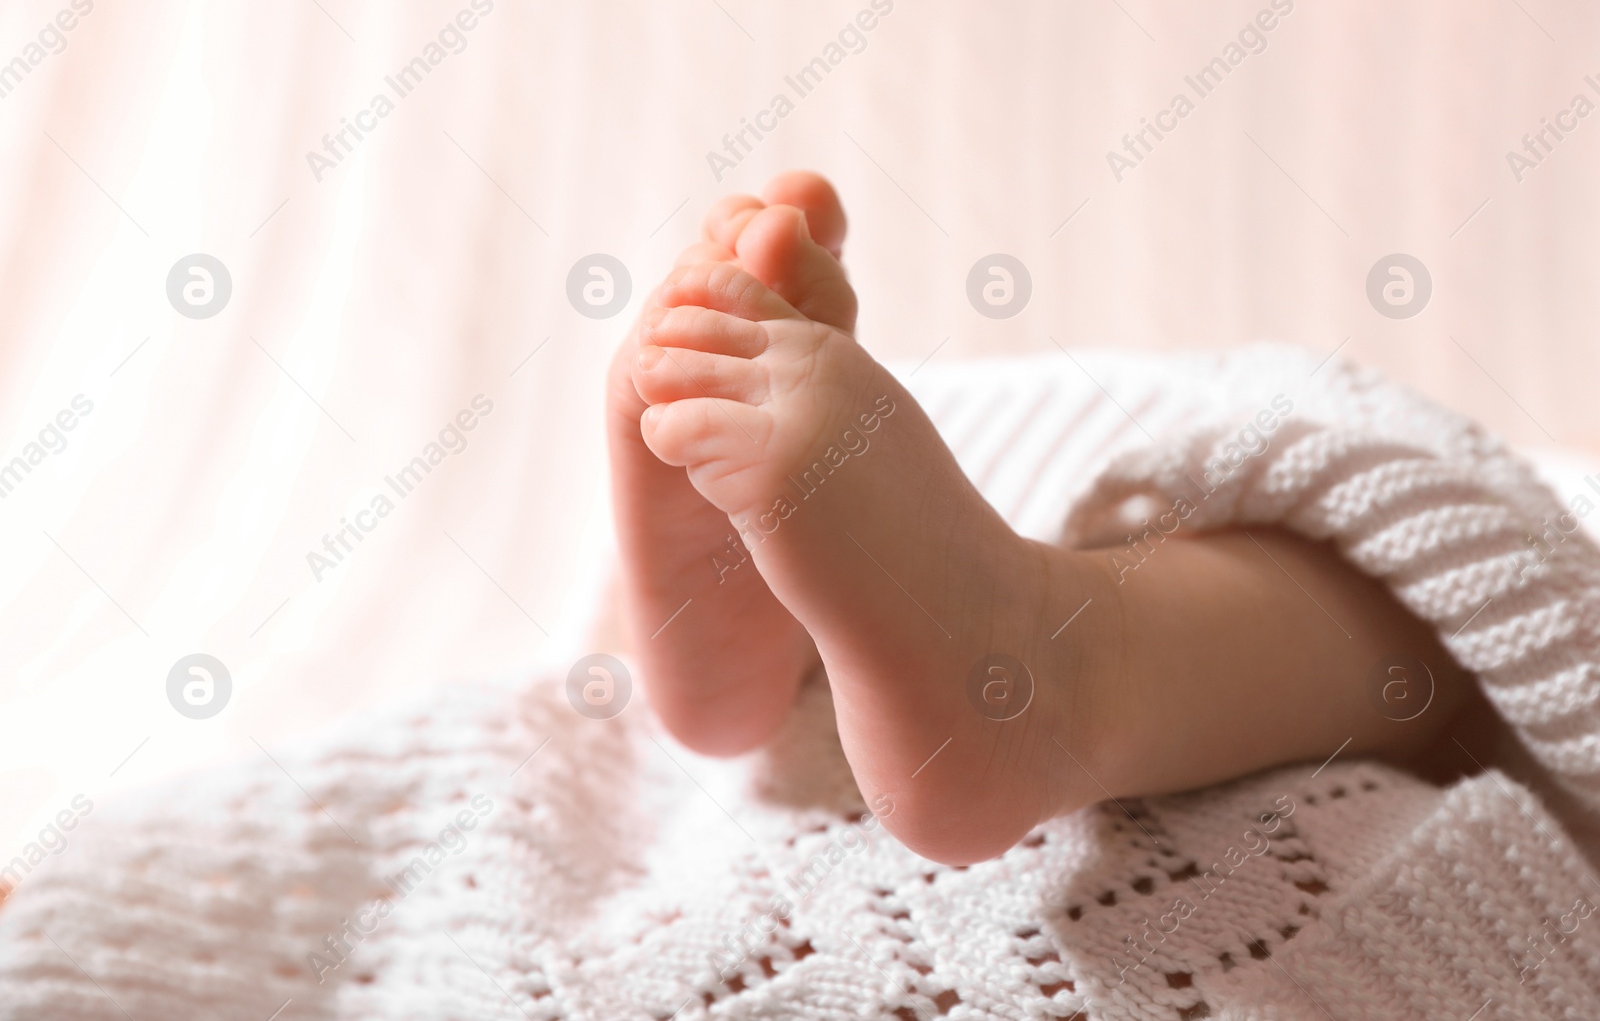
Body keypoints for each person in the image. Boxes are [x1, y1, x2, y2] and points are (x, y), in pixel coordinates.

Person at [607, 170, 1498, 865]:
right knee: (1416, 603)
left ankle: (1033, 654)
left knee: (1437, 610)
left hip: (1040, 458)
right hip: (1048, 463)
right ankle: (928, 634)